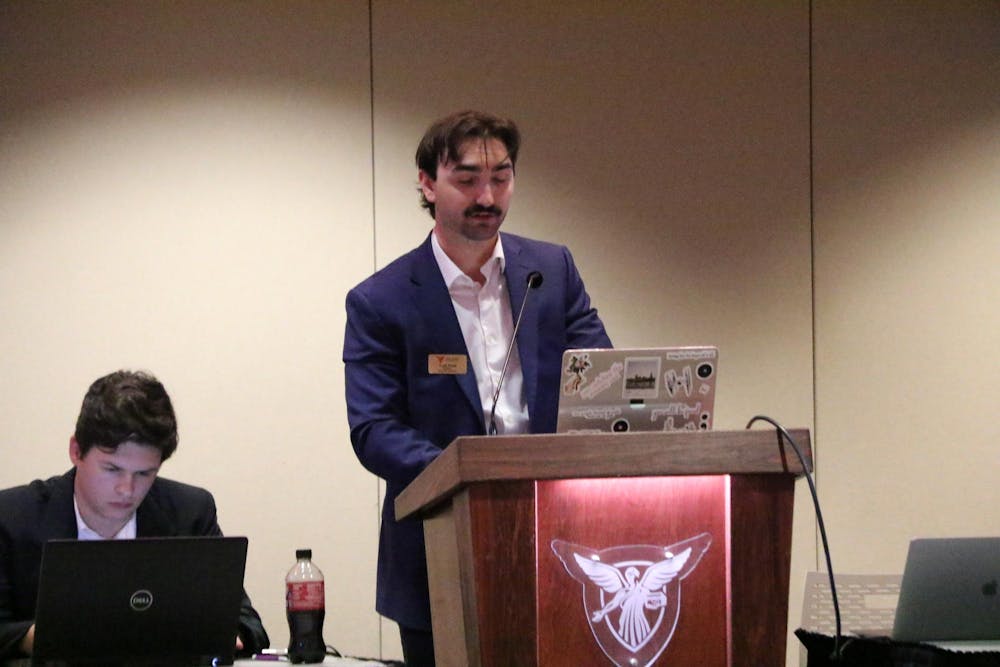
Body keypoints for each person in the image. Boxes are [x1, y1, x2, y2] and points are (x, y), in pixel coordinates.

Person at [343, 110, 612, 665]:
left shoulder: (551, 270)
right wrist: (465, 471)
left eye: (501, 177)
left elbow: (600, 381)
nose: (487, 195)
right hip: (438, 547)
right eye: (466, 180)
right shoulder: (381, 300)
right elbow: (374, 431)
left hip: (559, 537)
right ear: (426, 182)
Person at [0, 370, 270, 660]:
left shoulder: (189, 512)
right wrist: (35, 637)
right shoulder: (12, 518)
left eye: (144, 473)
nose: (127, 489)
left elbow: (248, 622)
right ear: (76, 451)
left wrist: (233, 634)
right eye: (112, 469)